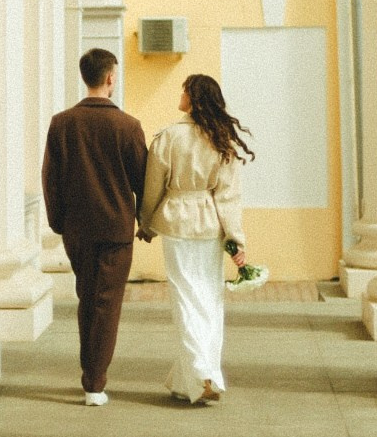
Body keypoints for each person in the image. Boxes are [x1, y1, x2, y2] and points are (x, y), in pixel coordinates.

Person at [42, 47, 148, 405]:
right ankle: (94, 382)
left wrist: (58, 222)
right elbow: (143, 181)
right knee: (106, 304)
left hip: (77, 228)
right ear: (110, 78)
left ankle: (91, 373)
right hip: (116, 229)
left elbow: (50, 178)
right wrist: (145, 221)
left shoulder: (61, 123)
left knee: (87, 298)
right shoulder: (129, 126)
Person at [138, 73, 253, 404]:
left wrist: (146, 223)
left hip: (177, 224)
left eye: (184, 90)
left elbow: (153, 187)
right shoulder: (222, 141)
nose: (181, 94)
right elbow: (228, 198)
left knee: (186, 299)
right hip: (209, 227)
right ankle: (191, 379)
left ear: (193, 97)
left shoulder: (169, 137)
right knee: (209, 300)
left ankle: (202, 371)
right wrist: (235, 240)